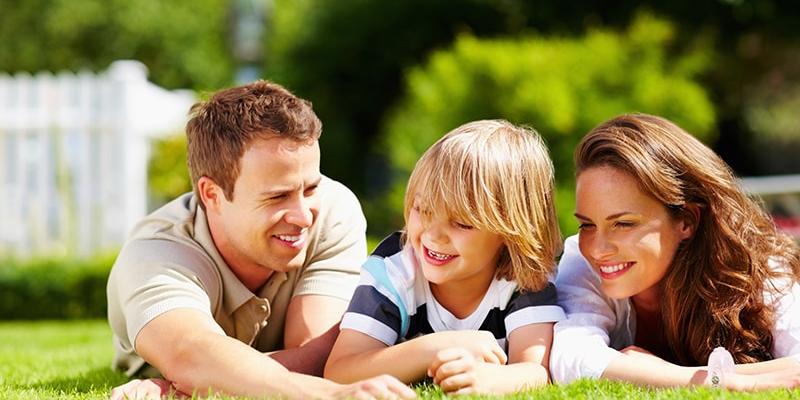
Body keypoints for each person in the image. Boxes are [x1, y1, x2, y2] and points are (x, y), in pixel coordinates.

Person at [106, 81, 415, 399]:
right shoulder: (155, 254)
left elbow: (317, 352)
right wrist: (331, 395)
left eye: (310, 188)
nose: (303, 216)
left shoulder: (333, 210)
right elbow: (190, 353)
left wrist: (199, 378)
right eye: (278, 196)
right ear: (212, 195)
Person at [550, 113, 800, 390]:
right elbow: (571, 358)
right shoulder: (582, 259)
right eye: (587, 224)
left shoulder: (755, 264)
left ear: (687, 220)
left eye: (623, 223)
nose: (598, 249)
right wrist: (718, 381)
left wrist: (656, 371)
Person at [324, 120, 566, 395]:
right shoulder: (393, 273)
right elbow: (340, 372)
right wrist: (438, 348)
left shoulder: (525, 279)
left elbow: (536, 371)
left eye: (462, 223)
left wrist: (489, 380)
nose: (434, 235)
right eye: (422, 209)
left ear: (512, 231)